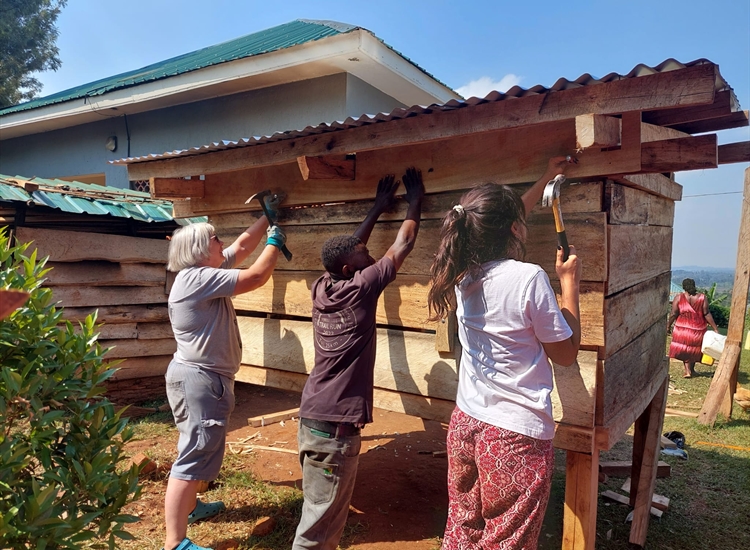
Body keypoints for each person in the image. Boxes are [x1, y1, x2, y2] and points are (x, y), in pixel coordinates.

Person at [427, 157, 581, 549]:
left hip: (466, 425)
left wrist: (546, 177)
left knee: (463, 532)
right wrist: (569, 285)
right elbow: (565, 353)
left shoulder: (462, 272)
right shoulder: (528, 278)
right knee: (504, 542)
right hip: (514, 437)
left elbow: (495, 224)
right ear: (514, 228)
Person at [292, 168, 424, 550]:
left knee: (322, 514)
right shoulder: (365, 287)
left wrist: (377, 208)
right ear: (352, 270)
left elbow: (348, 250)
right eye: (365, 254)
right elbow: (404, 243)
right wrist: (415, 201)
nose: (370, 252)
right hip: (335, 432)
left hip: (313, 416)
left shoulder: (323, 287)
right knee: (316, 531)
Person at [162, 196, 286, 550]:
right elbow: (257, 275)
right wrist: (276, 241)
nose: (221, 243)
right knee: (193, 456)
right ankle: (175, 542)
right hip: (200, 380)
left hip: (197, 379)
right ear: (201, 249)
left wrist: (267, 219)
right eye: (215, 239)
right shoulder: (197, 279)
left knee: (196, 447)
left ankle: (192, 506)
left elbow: (243, 247)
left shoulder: (202, 274)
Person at [667, 278, 719, 378]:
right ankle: (691, 370)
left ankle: (688, 371)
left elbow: (674, 313)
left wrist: (668, 325)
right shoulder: (702, 297)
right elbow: (706, 313)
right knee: (695, 349)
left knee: (685, 349)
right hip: (698, 329)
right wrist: (715, 328)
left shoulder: (679, 297)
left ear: (683, 286)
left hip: (682, 329)